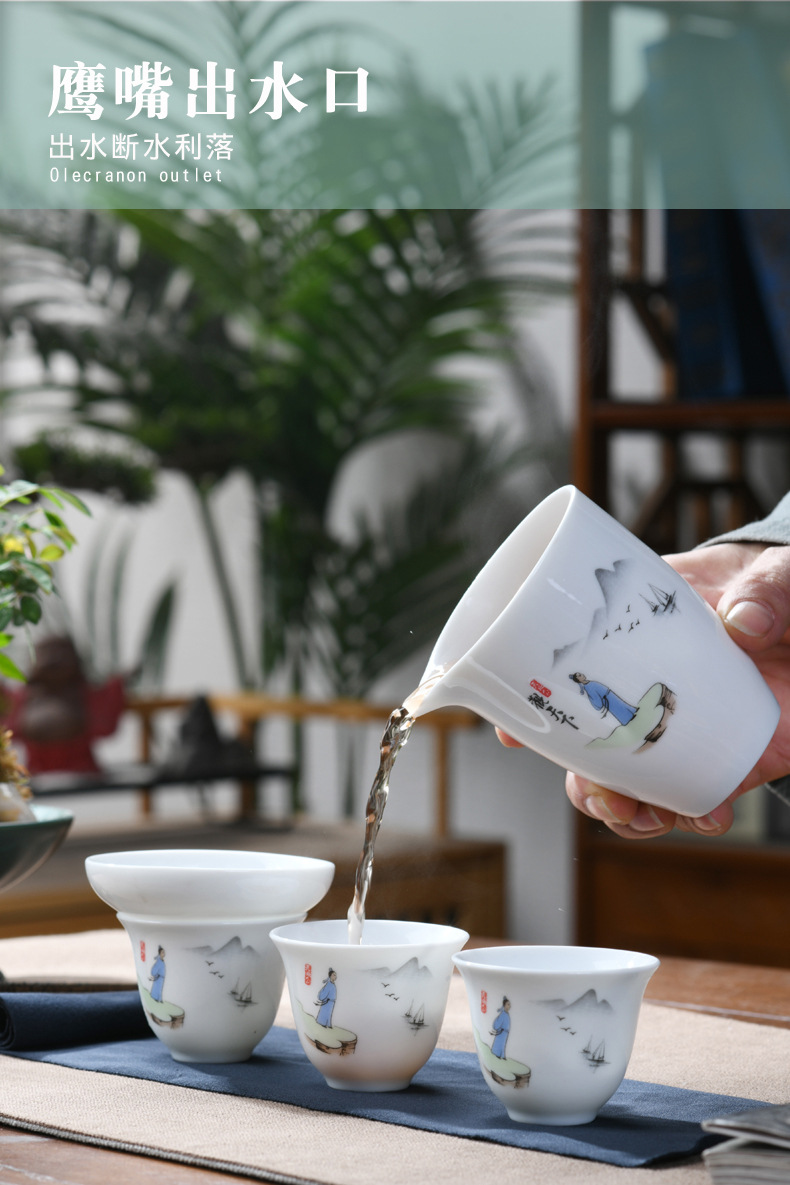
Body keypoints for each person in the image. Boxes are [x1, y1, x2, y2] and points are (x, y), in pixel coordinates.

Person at [498, 492, 790, 840]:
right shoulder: (588, 685)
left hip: (628, 702)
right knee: (626, 729)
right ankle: (658, 737)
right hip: (625, 708)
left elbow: (598, 699)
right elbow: (596, 700)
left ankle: (654, 732)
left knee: (629, 718)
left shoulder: (588, 684)